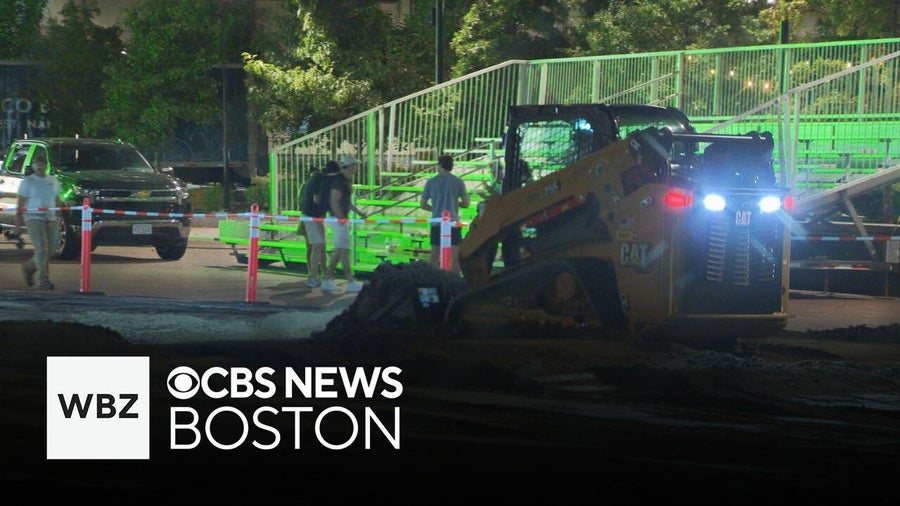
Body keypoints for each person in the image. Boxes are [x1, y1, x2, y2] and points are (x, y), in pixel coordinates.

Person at [321, 155, 367, 293]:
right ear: (351, 166)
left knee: (339, 251)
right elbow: (334, 200)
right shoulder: (340, 180)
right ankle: (350, 281)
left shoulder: (345, 180)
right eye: (355, 165)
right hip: (338, 220)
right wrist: (340, 216)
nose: (356, 168)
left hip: (340, 219)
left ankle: (327, 279)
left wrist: (359, 213)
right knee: (344, 251)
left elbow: (346, 201)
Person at [16, 152, 61, 290]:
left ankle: (28, 267)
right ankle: (44, 279)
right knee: (41, 249)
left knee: (51, 251)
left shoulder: (53, 181)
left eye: (43, 163)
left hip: (50, 218)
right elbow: (21, 203)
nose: (40, 166)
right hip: (33, 217)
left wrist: (57, 216)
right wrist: (18, 222)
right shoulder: (27, 182)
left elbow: (57, 200)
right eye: (37, 163)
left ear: (47, 165)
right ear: (34, 165)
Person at [420, 154, 471, 274]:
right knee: (454, 255)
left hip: (437, 222)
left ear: (439, 165)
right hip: (453, 222)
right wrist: (456, 204)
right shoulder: (458, 182)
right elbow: (466, 203)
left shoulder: (431, 182)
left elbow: (422, 204)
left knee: (434, 254)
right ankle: (454, 281)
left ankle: (435, 280)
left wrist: (435, 208)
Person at [298, 163, 332, 288]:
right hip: (311, 217)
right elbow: (316, 200)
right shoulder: (318, 181)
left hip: (315, 216)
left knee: (319, 246)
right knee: (316, 247)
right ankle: (313, 276)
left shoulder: (316, 180)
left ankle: (323, 275)